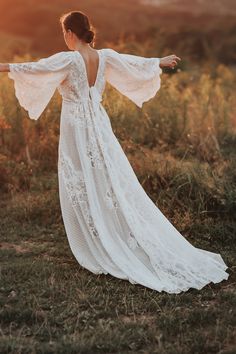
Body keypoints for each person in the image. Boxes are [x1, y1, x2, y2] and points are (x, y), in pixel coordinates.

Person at [0, 10, 229, 293]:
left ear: (70, 33)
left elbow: (33, 68)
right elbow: (132, 63)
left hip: (77, 126)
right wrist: (159, 61)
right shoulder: (104, 56)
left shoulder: (69, 59)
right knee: (107, 176)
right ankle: (108, 226)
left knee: (84, 177)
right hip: (98, 122)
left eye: (64, 33)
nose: (65, 38)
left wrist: (2, 66)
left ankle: (102, 237)